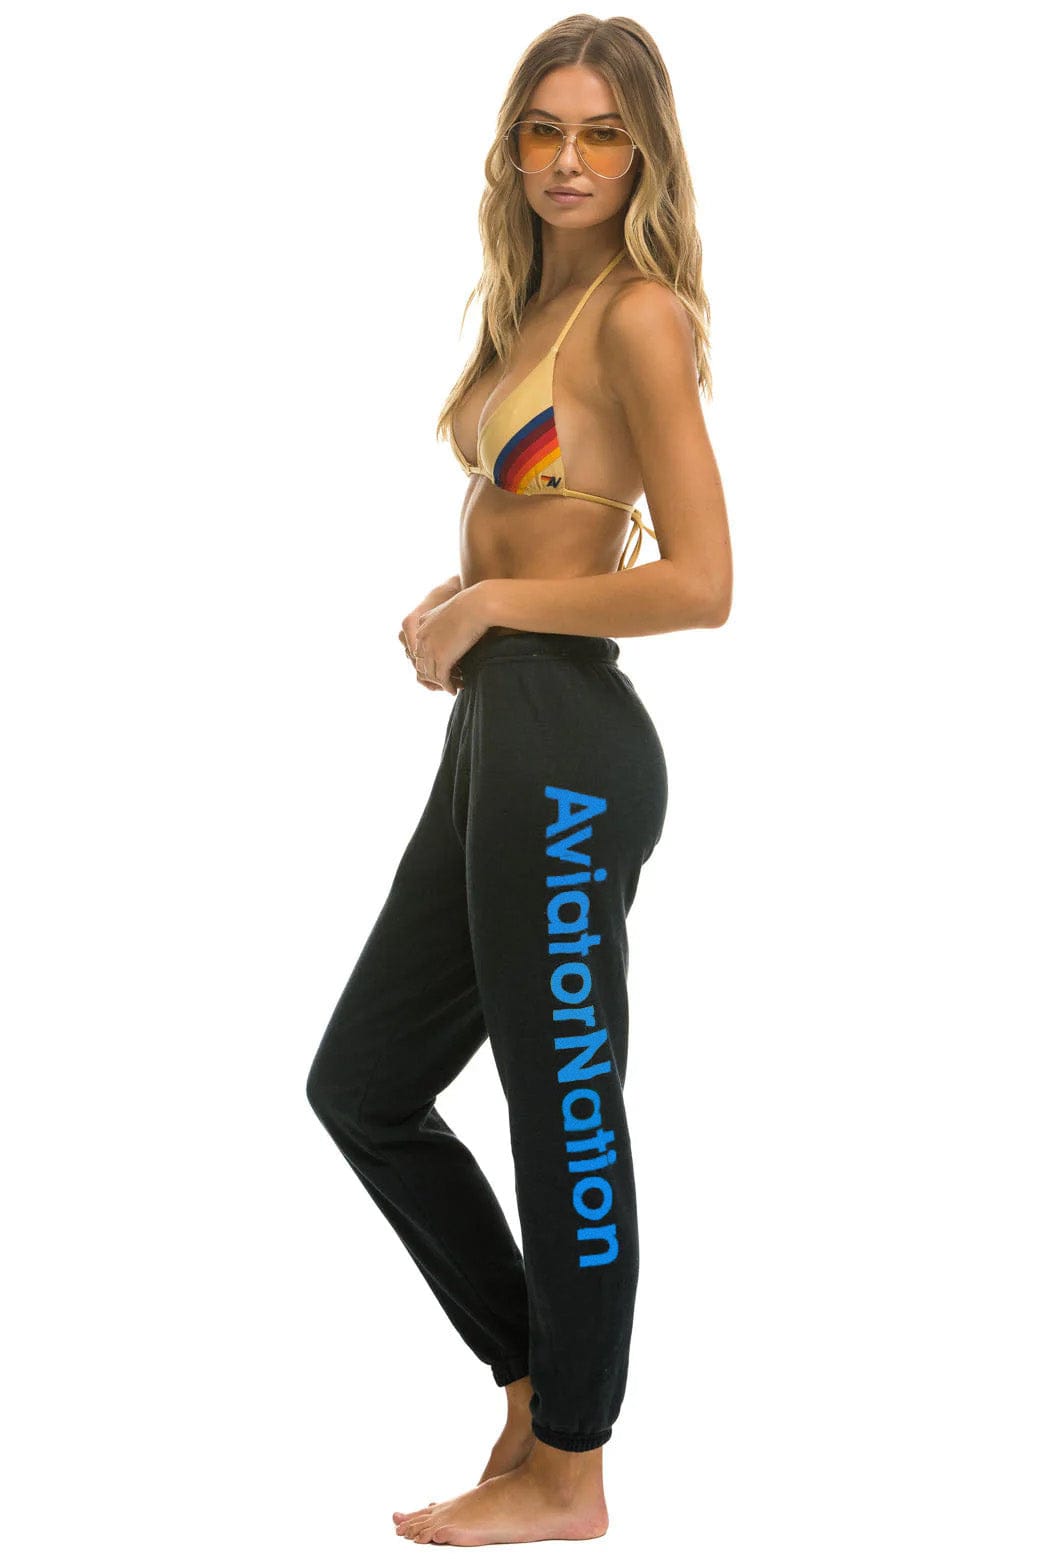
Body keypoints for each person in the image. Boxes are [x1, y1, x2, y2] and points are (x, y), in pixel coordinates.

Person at [306, 14, 731, 1546]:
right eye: (544, 129)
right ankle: (536, 1384)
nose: (569, 160)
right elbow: (540, 518)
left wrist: (495, 605)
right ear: (512, 148)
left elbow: (703, 584)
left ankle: (573, 1468)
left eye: (603, 133)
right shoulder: (539, 301)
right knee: (363, 1086)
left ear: (646, 152)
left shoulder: (638, 316)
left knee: (563, 1107)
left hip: (567, 752)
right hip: (501, 728)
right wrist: (465, 599)